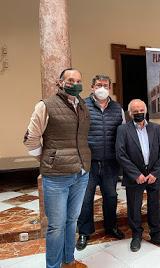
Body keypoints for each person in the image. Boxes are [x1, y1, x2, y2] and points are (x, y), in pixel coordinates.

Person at [24, 68, 90, 268]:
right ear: (60, 82)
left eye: (78, 80)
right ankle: (53, 266)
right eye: (70, 80)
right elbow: (30, 139)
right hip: (56, 177)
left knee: (72, 221)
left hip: (81, 173)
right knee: (56, 226)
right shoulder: (45, 106)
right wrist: (46, 158)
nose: (75, 83)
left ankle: (68, 260)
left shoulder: (83, 105)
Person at [76, 75, 126, 251]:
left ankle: (111, 226)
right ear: (92, 87)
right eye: (98, 85)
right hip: (88, 163)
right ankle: (84, 232)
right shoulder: (81, 105)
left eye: (105, 85)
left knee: (111, 197)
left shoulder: (117, 108)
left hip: (111, 163)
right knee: (85, 199)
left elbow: (123, 133)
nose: (102, 88)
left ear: (110, 88)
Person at [115, 99, 160, 252]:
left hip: (154, 175)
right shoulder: (123, 130)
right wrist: (135, 174)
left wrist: (155, 172)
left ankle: (156, 234)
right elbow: (120, 154)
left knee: (154, 205)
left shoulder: (155, 127)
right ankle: (136, 235)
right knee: (134, 207)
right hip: (135, 177)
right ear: (129, 113)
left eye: (141, 110)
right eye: (135, 111)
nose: (139, 113)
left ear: (146, 111)